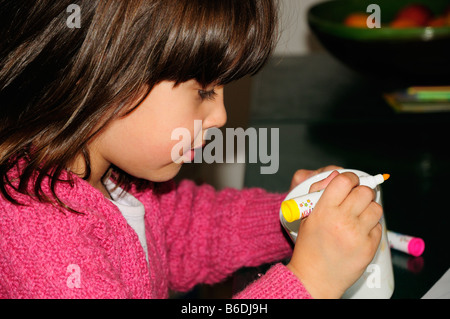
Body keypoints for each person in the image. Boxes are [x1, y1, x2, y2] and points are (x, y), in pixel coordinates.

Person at [0, 0, 382, 299]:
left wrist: (294, 214)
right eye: (203, 91)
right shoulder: (37, 237)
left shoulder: (114, 176)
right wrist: (311, 281)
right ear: (102, 72)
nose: (220, 115)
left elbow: (189, 232)